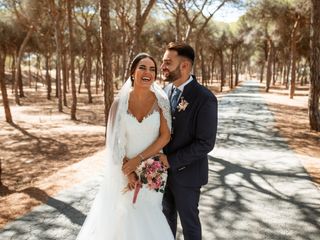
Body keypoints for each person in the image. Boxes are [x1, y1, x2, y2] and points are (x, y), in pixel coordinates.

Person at [76, 53, 174, 240]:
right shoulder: (118, 104)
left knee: (149, 214)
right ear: (132, 72)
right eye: (142, 68)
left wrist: (139, 161)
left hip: (152, 170)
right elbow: (114, 143)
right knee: (124, 215)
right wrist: (128, 171)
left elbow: (165, 137)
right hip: (124, 170)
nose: (148, 72)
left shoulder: (161, 102)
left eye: (152, 69)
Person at [161, 42, 218, 240]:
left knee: (190, 225)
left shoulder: (205, 98)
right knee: (165, 221)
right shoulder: (165, 91)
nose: (163, 67)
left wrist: (171, 160)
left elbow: (205, 143)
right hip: (161, 174)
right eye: (163, 62)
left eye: (168, 62)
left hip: (188, 175)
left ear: (184, 66)